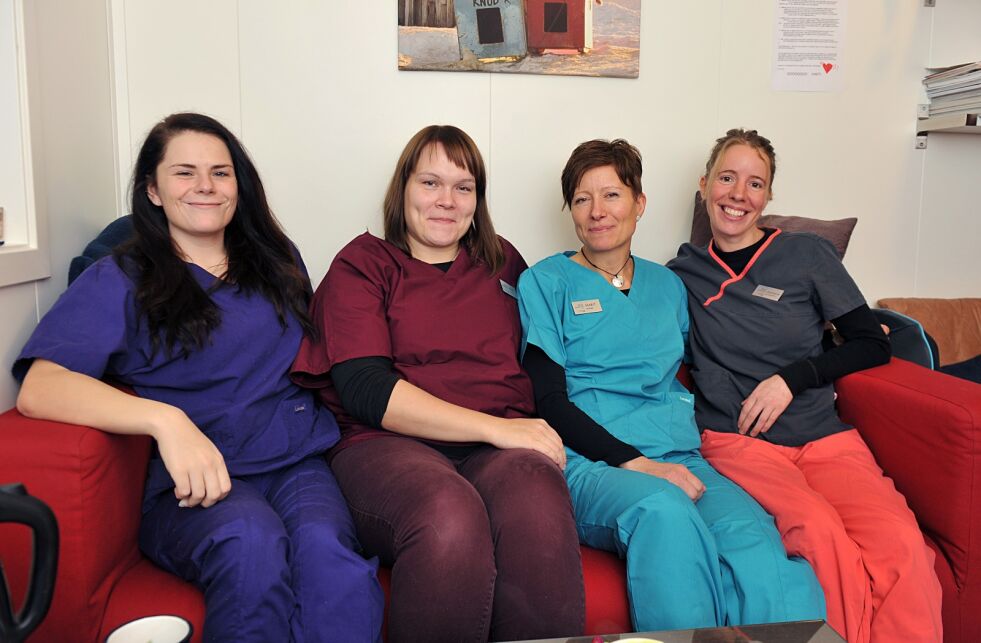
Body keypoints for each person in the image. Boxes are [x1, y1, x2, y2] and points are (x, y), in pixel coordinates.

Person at [13, 112, 383, 642]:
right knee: (253, 545)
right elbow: (40, 386)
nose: (205, 186)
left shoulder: (278, 262)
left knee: (329, 559)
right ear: (154, 190)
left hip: (294, 461)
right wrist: (166, 421)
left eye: (221, 172)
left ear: (239, 185)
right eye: (185, 172)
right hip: (192, 484)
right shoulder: (121, 277)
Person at [516, 138, 825, 632]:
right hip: (591, 463)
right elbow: (549, 401)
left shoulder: (668, 286)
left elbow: (726, 354)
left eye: (612, 195)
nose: (597, 211)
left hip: (681, 457)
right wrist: (640, 465)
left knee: (755, 540)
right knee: (665, 513)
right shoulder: (546, 283)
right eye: (581, 198)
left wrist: (821, 343)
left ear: (639, 204)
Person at [290, 125, 584, 643]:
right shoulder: (364, 266)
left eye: (463, 187)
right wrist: (499, 429)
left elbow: (547, 355)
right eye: (430, 183)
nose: (447, 201)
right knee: (448, 512)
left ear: (478, 200)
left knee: (537, 498)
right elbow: (366, 389)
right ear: (402, 188)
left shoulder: (502, 263)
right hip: (386, 447)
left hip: (497, 448)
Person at [667, 128, 943, 643]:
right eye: (727, 178)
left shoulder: (807, 255)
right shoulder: (679, 274)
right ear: (705, 185)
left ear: (768, 197)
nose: (738, 195)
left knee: (902, 543)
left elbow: (872, 342)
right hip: (740, 443)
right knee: (818, 534)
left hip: (825, 440)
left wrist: (792, 380)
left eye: (755, 184)